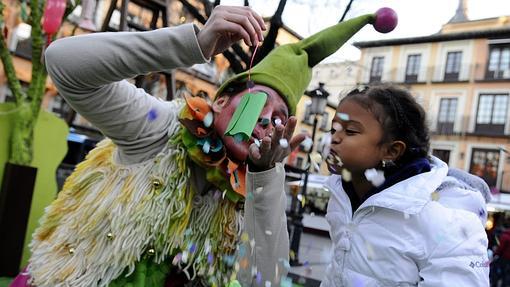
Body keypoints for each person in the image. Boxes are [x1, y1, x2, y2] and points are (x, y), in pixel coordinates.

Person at [11, 5, 397, 287]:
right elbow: (63, 63)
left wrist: (265, 181)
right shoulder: (160, 126)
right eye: (257, 104)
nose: (267, 121)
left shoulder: (258, 185)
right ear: (221, 102)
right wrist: (195, 42)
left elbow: (263, 279)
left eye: (280, 117)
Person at [268, 85, 492, 286]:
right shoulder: (345, 196)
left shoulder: (448, 220)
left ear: (391, 151)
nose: (334, 139)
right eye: (333, 129)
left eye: (351, 131)